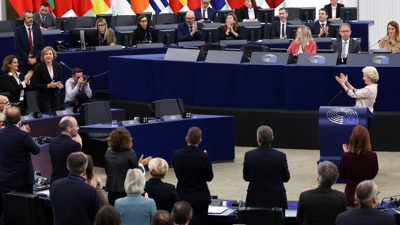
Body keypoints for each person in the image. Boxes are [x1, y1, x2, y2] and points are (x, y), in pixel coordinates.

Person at [0, 106, 40, 222]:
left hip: (4, 180)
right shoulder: (24, 136)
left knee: (7, 209)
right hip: (22, 182)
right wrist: (26, 135)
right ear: (20, 118)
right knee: (25, 211)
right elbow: (36, 150)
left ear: (6, 119)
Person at [172, 127, 213, 225]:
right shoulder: (204, 157)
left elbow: (178, 172)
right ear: (200, 141)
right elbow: (209, 177)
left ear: (186, 139)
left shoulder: (176, 155)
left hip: (182, 196)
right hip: (200, 199)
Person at [243, 126, 290, 210]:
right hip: (277, 201)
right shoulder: (281, 156)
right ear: (272, 138)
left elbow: (246, 177)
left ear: (258, 139)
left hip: (255, 200)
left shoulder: (249, 156)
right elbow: (286, 178)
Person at [104, 128, 152, 206]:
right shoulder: (130, 153)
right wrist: (141, 164)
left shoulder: (108, 152)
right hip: (127, 191)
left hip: (111, 191)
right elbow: (136, 174)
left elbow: (108, 171)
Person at [50, 152, 100, 225]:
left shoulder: (55, 186)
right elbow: (97, 217)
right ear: (84, 170)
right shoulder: (90, 191)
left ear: (67, 166)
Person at [338, 125, 379, 206]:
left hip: (350, 195)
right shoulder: (373, 156)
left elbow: (342, 175)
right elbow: (373, 174)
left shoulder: (346, 156)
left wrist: (347, 154)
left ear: (352, 139)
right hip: (368, 194)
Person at [296, 161, 347, 225]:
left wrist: (308, 195)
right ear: (334, 180)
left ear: (317, 179)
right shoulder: (341, 197)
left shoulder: (304, 196)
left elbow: (299, 220)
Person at [49, 116, 82, 183]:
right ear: (69, 129)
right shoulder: (74, 145)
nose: (78, 128)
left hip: (55, 182)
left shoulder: (52, 142)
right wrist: (80, 146)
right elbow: (80, 166)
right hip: (70, 184)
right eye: (76, 126)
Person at [32, 46, 63, 112]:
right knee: (47, 116)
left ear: (53, 56)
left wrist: (58, 84)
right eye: (46, 54)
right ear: (43, 56)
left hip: (55, 96)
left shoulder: (57, 66)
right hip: (43, 97)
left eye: (50, 54)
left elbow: (60, 80)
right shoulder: (38, 67)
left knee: (56, 115)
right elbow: (35, 85)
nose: (48, 56)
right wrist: (48, 85)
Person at [14, 10, 44, 77]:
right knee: (25, 84)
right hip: (23, 62)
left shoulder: (37, 29)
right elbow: (17, 46)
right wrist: (28, 59)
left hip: (36, 62)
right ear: (24, 18)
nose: (31, 19)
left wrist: (35, 58)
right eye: (28, 18)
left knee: (36, 84)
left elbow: (41, 45)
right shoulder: (18, 30)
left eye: (31, 17)